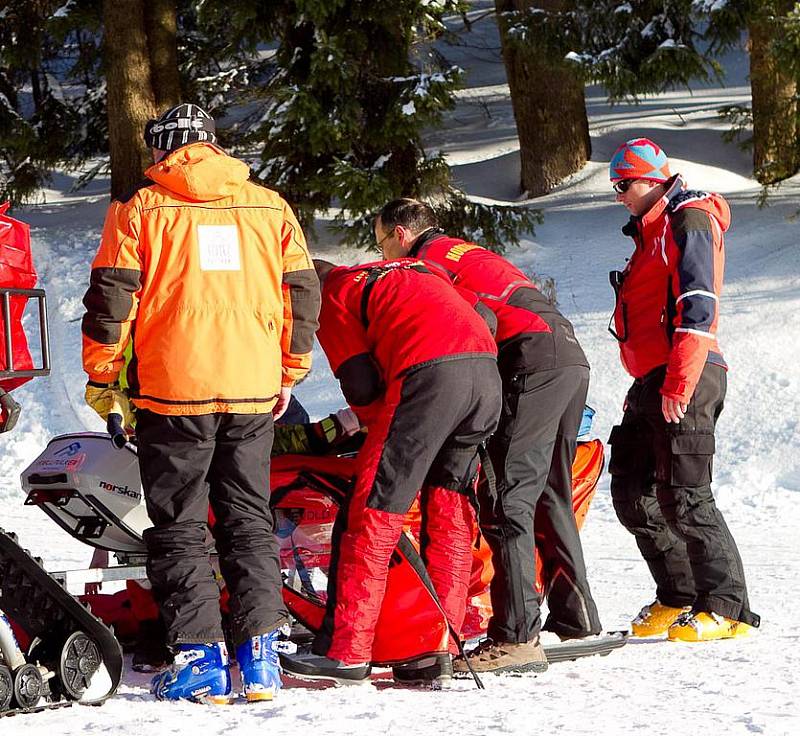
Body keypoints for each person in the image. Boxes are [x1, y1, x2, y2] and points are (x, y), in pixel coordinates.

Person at [81, 103, 321, 703]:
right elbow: (301, 294)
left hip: (172, 392)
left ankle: (200, 660)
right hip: (252, 390)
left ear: (162, 149)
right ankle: (261, 658)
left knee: (182, 524)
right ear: (214, 145)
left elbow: (113, 301)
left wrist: (106, 380)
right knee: (248, 518)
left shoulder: (139, 210)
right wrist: (289, 370)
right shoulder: (272, 209)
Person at [373, 199, 601, 674]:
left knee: (505, 499)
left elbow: (482, 321)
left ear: (399, 233)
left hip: (528, 360)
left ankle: (516, 636)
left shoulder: (423, 264)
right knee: (550, 493)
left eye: (381, 244)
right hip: (567, 352)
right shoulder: (464, 250)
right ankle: (575, 616)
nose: (382, 257)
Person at [280, 258, 501, 686]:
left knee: (371, 511)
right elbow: (485, 315)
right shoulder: (415, 269)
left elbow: (361, 384)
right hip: (484, 375)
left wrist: (373, 425)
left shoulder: (334, 293)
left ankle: (346, 652)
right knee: (449, 512)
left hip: (427, 377)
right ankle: (436, 649)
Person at [606, 137, 759, 641]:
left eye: (624, 184)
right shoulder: (649, 231)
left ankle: (727, 607)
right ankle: (678, 595)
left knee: (685, 495)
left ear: (651, 179)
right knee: (632, 491)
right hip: (651, 378)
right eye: (614, 186)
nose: (619, 195)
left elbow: (699, 302)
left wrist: (680, 377)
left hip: (687, 372)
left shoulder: (689, 217)